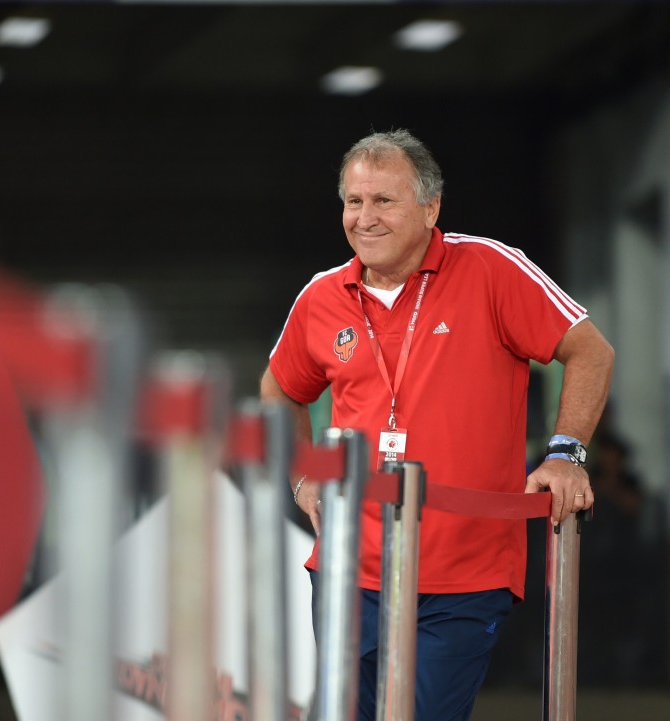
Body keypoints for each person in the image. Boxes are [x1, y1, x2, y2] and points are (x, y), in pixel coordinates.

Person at [260, 129, 615, 721]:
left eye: (383, 201)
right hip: (350, 568)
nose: (364, 218)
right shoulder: (322, 297)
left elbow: (591, 351)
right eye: (353, 201)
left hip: (464, 574)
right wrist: (304, 477)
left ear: (431, 207)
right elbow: (279, 390)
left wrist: (564, 453)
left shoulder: (492, 268)